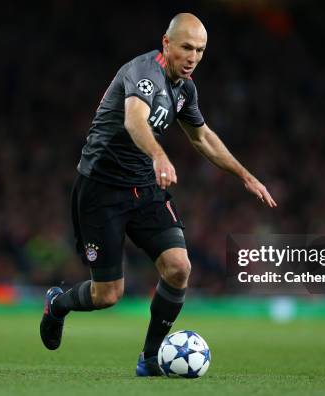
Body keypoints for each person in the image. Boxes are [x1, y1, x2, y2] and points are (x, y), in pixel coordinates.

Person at [40, 13, 276, 375]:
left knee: (179, 268)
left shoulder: (186, 88)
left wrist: (243, 174)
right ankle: (58, 305)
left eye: (200, 50)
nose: (193, 56)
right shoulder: (143, 73)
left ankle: (150, 358)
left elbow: (202, 137)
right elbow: (134, 119)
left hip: (145, 188)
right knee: (108, 295)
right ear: (167, 44)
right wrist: (159, 155)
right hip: (101, 189)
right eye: (186, 47)